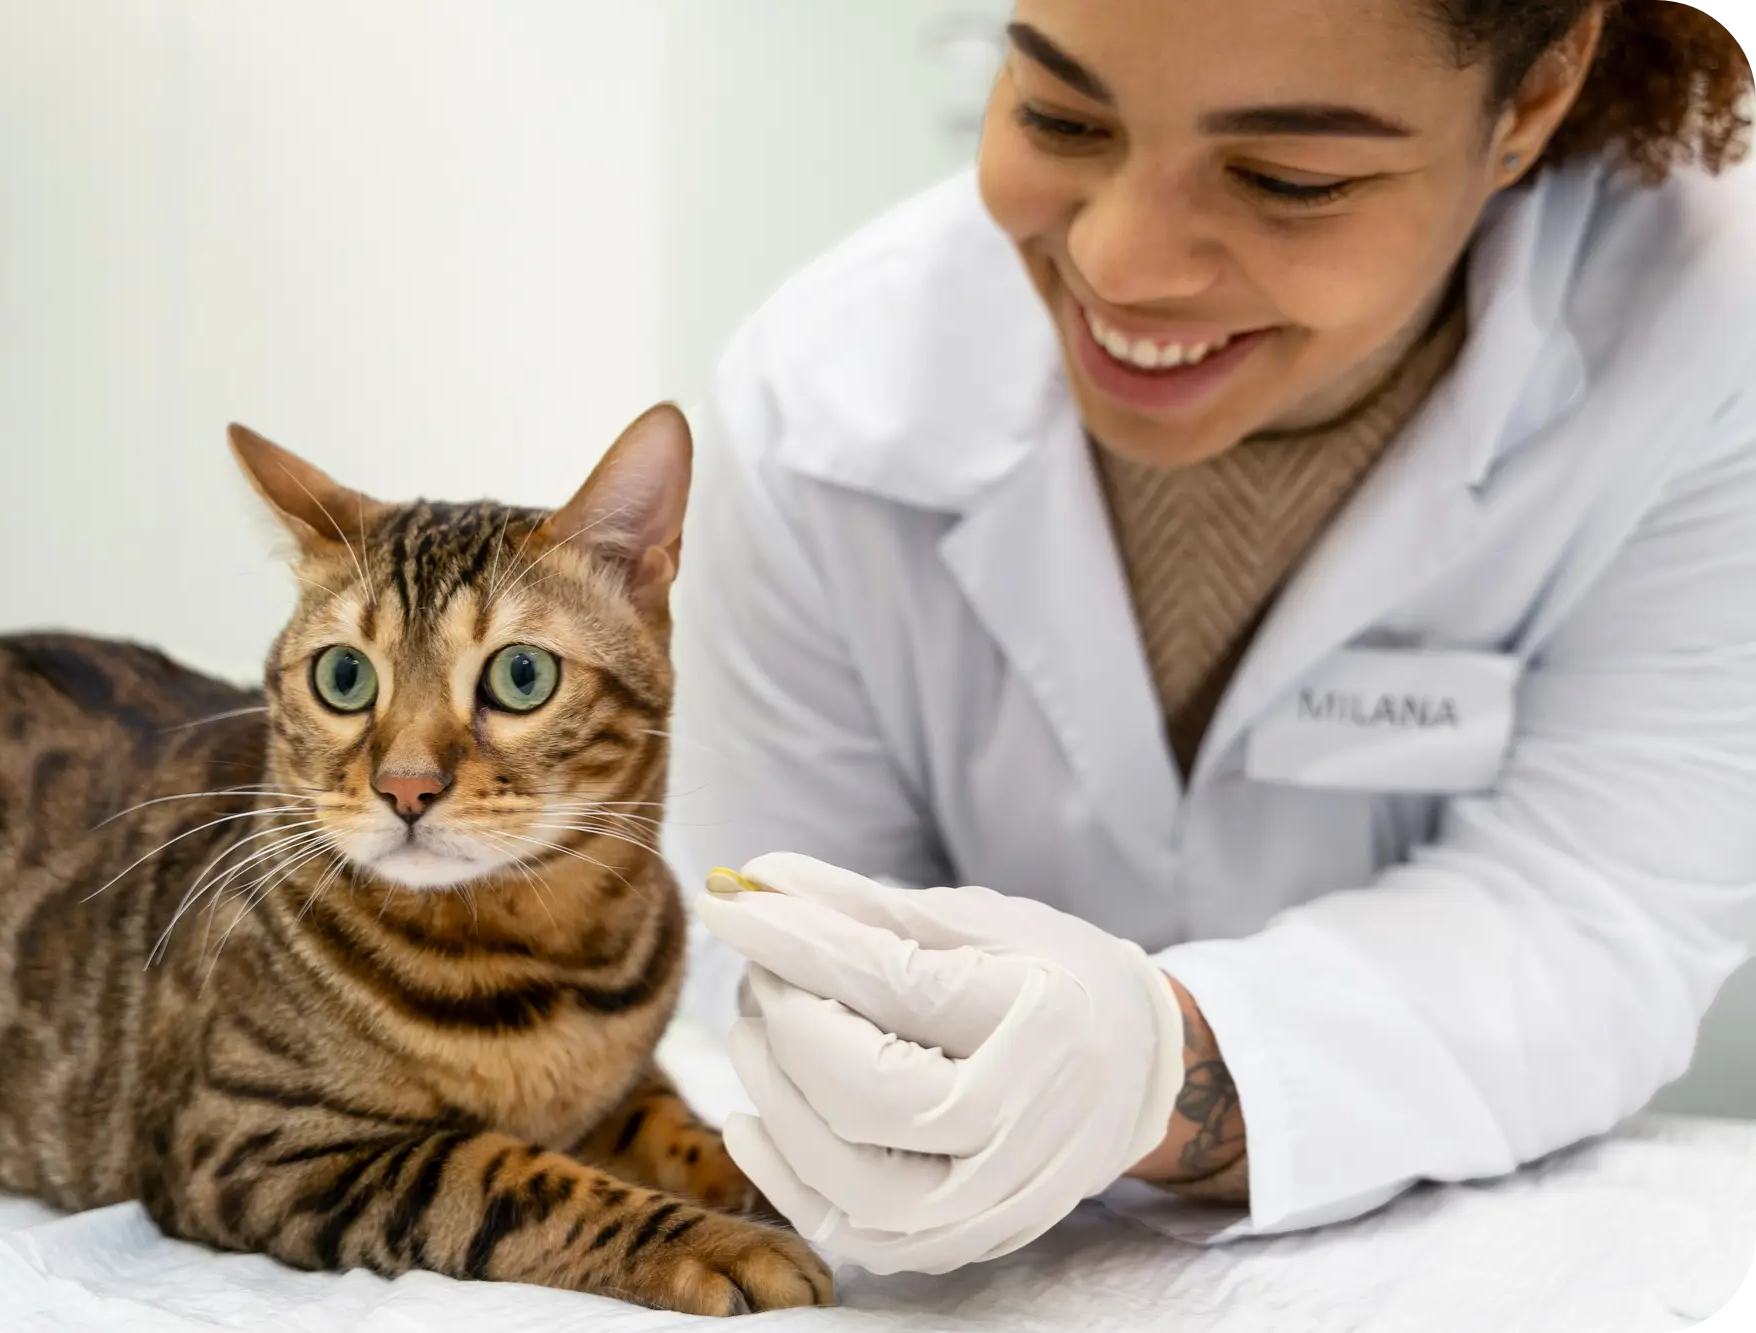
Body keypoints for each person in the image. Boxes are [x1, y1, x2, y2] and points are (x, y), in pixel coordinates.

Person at [665, 0, 1756, 1274]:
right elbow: (774, 954)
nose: (1121, 262)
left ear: (1529, 96)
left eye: (1288, 178)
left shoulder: (1704, 333)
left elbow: (1589, 911)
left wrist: (1167, 1065)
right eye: (1057, 114)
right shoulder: (819, 405)